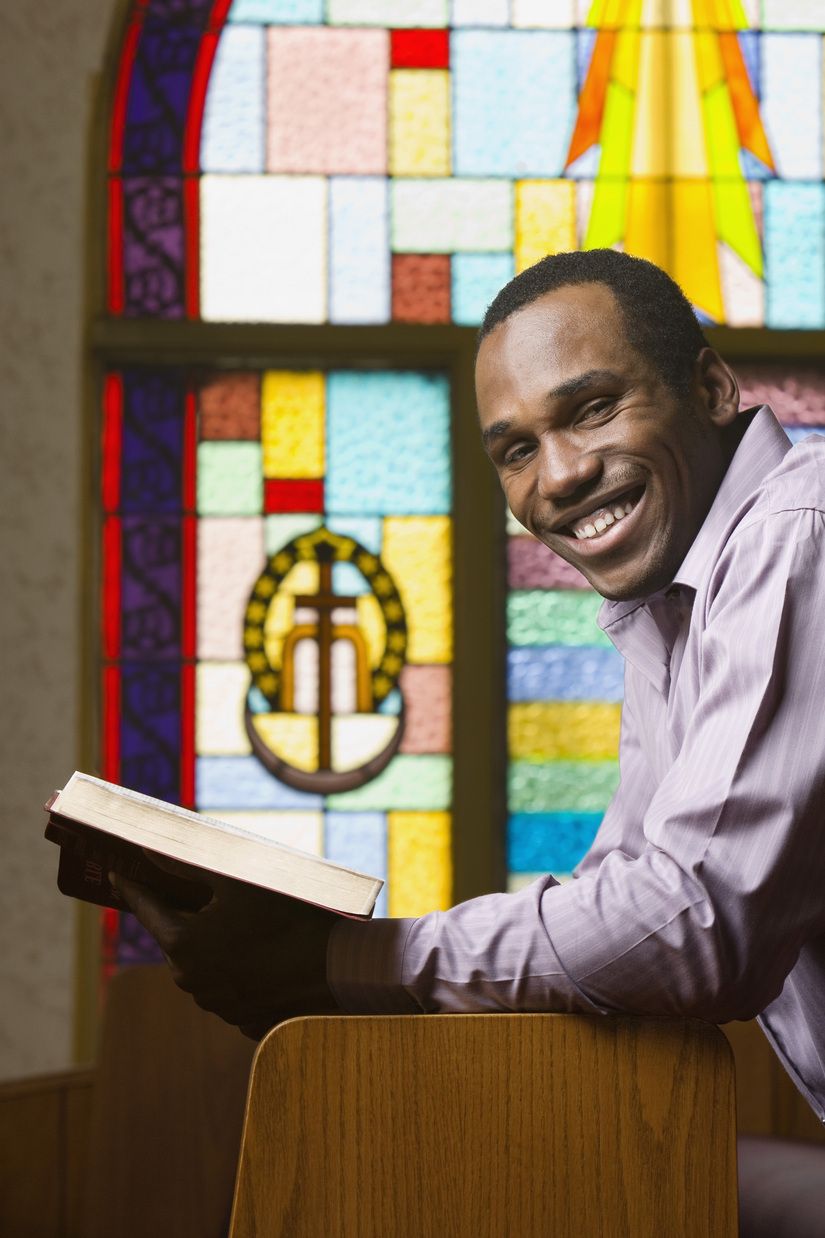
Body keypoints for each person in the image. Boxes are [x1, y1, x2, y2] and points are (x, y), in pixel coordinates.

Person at [113, 249, 825, 1126]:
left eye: (594, 408)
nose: (557, 477)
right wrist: (309, 945)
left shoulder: (796, 535)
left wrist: (349, 960)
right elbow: (625, 898)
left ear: (712, 390)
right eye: (517, 449)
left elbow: (692, 923)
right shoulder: (668, 605)